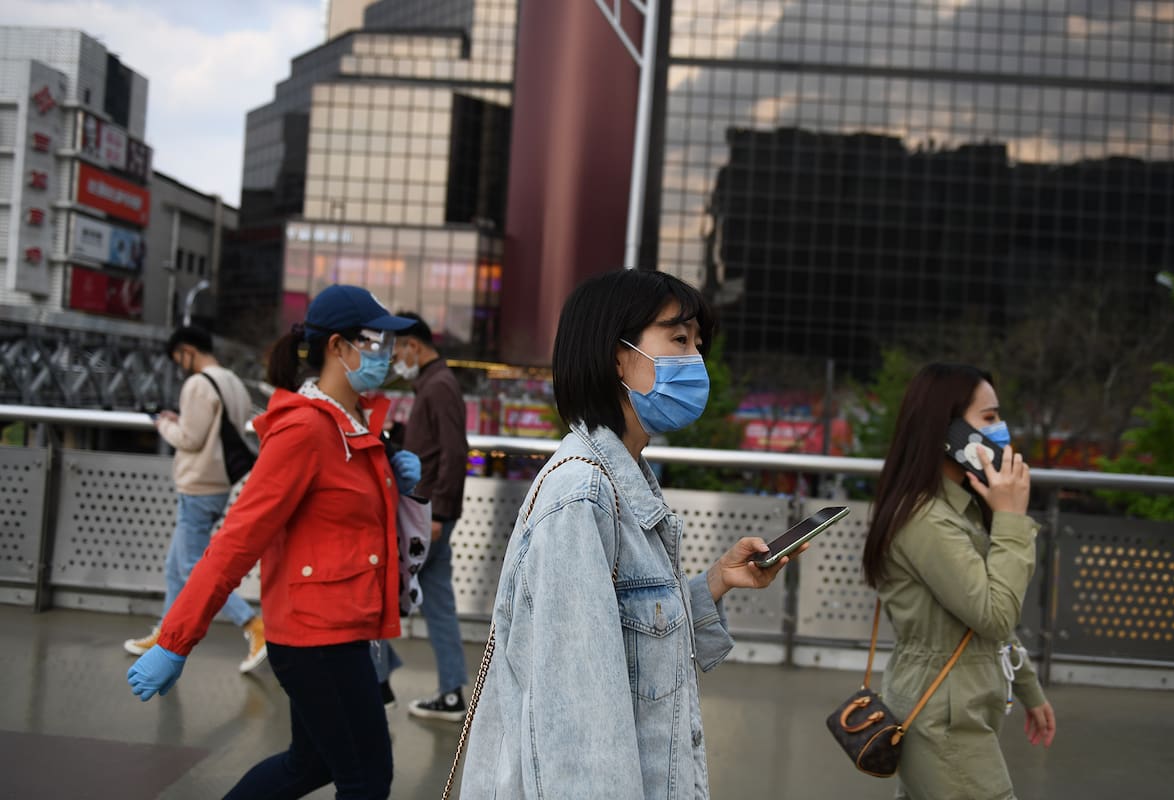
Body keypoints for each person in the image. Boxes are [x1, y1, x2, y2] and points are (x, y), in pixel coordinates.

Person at [459, 269, 791, 798]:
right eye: (678, 339)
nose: (695, 361)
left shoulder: (623, 478)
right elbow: (580, 726)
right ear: (618, 356)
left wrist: (713, 584)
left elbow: (621, 637)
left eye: (698, 345)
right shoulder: (582, 496)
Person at [125, 285, 422, 800]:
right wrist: (176, 642)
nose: (387, 353)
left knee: (308, 765)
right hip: (317, 637)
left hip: (336, 626)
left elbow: (344, 517)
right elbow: (235, 542)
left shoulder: (351, 423)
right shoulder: (305, 429)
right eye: (375, 340)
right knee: (367, 777)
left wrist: (393, 476)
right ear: (337, 347)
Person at [861, 363, 1057, 800]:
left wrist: (1028, 687)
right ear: (947, 431)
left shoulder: (959, 509)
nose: (1002, 430)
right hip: (941, 721)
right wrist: (1010, 518)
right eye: (988, 418)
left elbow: (982, 625)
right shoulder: (925, 519)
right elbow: (994, 613)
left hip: (954, 710)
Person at [123, 325, 265, 674]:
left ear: (188, 350)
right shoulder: (232, 381)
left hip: (199, 485)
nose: (180, 366)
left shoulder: (198, 383)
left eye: (179, 358)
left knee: (192, 569)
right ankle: (165, 634)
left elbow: (190, 439)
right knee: (175, 567)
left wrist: (163, 425)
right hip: (218, 481)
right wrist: (180, 419)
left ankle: (253, 625)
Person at [391, 311, 470, 722]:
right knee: (437, 601)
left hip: (427, 515)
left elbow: (455, 453)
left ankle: (376, 679)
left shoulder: (437, 387)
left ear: (414, 346)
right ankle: (452, 692)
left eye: (396, 349)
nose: (393, 359)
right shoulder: (435, 384)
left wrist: (438, 512)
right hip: (429, 513)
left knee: (383, 591)